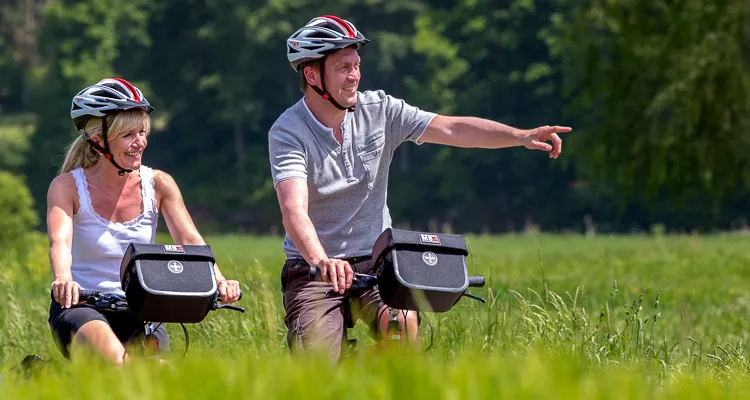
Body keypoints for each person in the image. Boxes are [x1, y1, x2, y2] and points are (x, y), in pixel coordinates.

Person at [269, 15, 571, 361]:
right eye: (343, 68)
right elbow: (293, 208)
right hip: (315, 268)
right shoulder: (288, 131)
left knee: (402, 332)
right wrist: (321, 259)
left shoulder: (381, 110)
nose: (355, 76)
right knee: (317, 362)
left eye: (357, 65)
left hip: (375, 261)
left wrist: (520, 137)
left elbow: (452, 128)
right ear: (312, 75)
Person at [47, 78, 242, 364]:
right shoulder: (67, 187)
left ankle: (52, 378)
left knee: (161, 380)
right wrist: (63, 279)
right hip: (81, 307)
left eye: (142, 132)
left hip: (143, 308)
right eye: (128, 135)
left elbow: (190, 240)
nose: (140, 143)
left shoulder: (159, 184)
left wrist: (220, 280)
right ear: (98, 140)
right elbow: (60, 241)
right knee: (119, 365)